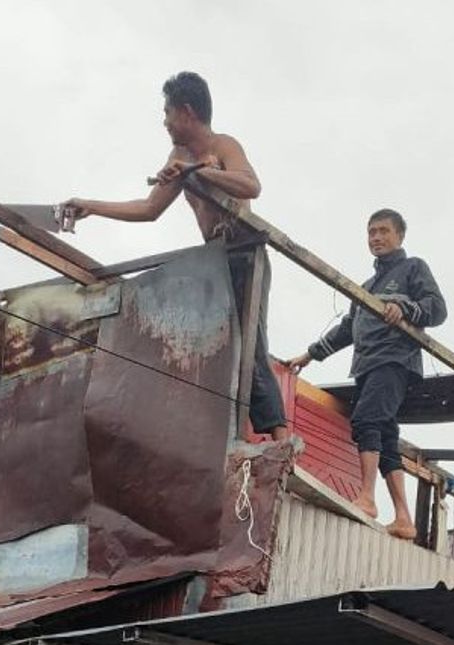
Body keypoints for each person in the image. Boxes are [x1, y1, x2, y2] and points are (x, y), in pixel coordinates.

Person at [62, 71, 289, 441]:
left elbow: (251, 186)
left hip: (245, 253)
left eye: (167, 113)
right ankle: (230, 435)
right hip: (212, 259)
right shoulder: (178, 155)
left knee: (250, 344)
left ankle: (280, 439)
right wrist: (91, 206)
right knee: (216, 345)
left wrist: (202, 172)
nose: (164, 122)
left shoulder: (224, 145)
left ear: (186, 112)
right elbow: (149, 209)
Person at [286, 209, 447, 539]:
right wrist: (310, 355)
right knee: (385, 436)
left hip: (393, 361)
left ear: (400, 236)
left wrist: (406, 309)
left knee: (366, 422)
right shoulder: (367, 287)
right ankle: (404, 518)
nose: (376, 237)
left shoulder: (412, 268)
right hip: (366, 365)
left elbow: (437, 308)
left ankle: (368, 498)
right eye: (371, 232)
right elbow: (347, 329)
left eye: (383, 231)